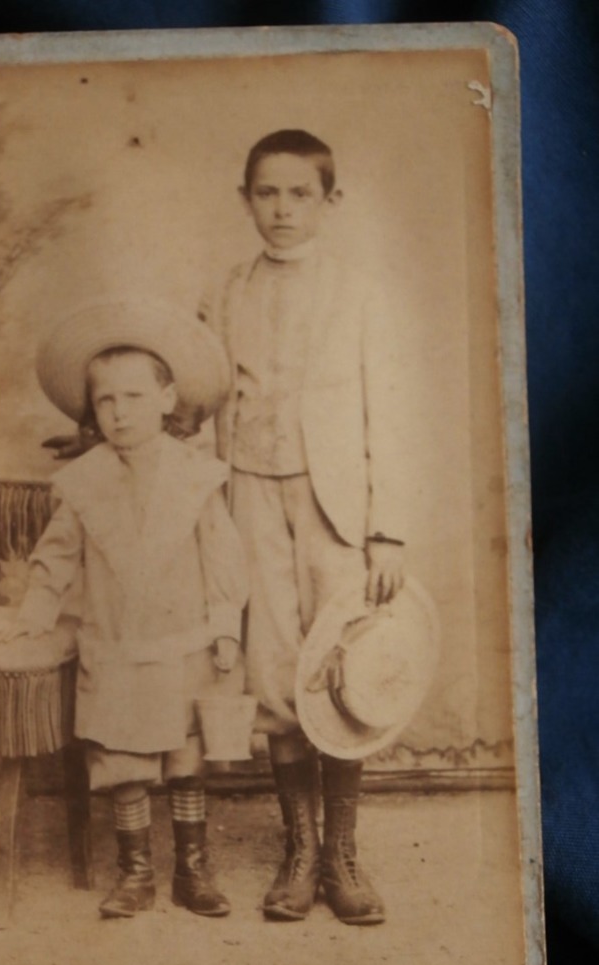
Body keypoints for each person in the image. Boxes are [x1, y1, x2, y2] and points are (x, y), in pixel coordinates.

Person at [204, 128, 408, 925]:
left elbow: (385, 413)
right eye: (266, 193)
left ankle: (343, 858)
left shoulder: (360, 291)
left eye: (299, 194)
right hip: (248, 497)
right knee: (276, 676)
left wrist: (384, 529)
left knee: (342, 673)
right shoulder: (222, 292)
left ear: (330, 200)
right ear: (246, 198)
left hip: (335, 509)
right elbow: (201, 403)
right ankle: (299, 851)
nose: (282, 209)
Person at [0, 298, 248, 920]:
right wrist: (35, 608)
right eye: (106, 401)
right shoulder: (84, 483)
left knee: (186, 758)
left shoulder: (196, 477)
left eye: (134, 397)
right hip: (113, 645)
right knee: (122, 761)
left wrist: (224, 628)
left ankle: (192, 869)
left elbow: (223, 558)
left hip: (183, 643)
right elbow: (55, 557)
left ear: (167, 399)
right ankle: (134, 872)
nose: (119, 412)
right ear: (93, 409)